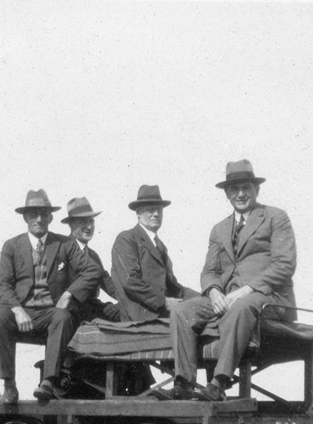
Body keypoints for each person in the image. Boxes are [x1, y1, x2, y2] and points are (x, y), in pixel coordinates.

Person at [166, 159, 298, 401]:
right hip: (227, 298)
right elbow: (209, 271)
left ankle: (219, 383)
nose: (240, 194)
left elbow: (285, 265)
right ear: (227, 193)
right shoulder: (219, 229)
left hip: (269, 297)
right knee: (182, 311)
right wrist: (214, 292)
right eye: (234, 189)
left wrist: (246, 290)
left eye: (246, 187)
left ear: (256, 189)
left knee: (242, 305)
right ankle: (184, 382)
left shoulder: (275, 218)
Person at [0, 189, 100, 404]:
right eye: (33, 214)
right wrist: (16, 309)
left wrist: (69, 293)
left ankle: (48, 381)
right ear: (25, 218)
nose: (39, 219)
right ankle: (9, 386)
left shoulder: (64, 244)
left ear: (51, 217)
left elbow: (92, 270)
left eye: (43, 214)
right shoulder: (12, 246)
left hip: (50, 314)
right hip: (22, 313)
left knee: (62, 316)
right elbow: (1, 284)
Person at [111, 185, 199, 322]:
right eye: (150, 209)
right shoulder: (126, 239)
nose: (156, 214)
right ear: (138, 213)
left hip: (159, 314)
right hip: (140, 318)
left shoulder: (160, 245)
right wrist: (163, 302)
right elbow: (130, 281)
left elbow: (173, 287)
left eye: (159, 210)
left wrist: (204, 297)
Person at [61, 197, 122, 322]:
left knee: (124, 313)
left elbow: (109, 285)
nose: (89, 226)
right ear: (71, 224)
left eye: (91, 221)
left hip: (92, 308)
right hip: (69, 311)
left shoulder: (93, 256)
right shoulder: (62, 249)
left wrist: (125, 302)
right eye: (83, 222)